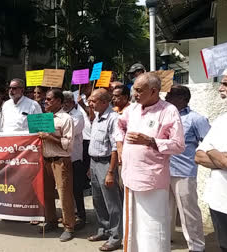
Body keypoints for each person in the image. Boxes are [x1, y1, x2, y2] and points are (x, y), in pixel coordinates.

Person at [116, 73, 185, 252]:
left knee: (153, 227)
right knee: (132, 225)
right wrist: (121, 148)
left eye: (139, 90)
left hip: (152, 180)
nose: (134, 94)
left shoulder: (168, 111)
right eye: (134, 90)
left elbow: (178, 145)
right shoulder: (131, 109)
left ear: (153, 91)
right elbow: (119, 126)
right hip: (130, 176)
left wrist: (150, 141)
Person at [164, 85, 208, 252]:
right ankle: (166, 240)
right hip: (164, 171)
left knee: (188, 212)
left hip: (184, 172)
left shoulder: (196, 119)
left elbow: (209, 142)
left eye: (170, 95)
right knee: (165, 210)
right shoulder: (166, 116)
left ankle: (196, 246)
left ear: (182, 98)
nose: (166, 97)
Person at [195, 73, 227, 252]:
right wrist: (222, 159)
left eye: (226, 84)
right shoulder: (222, 120)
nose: (220, 88)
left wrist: (213, 153)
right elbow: (199, 156)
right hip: (219, 201)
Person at [86, 89, 123, 251]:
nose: (90, 103)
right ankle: (104, 230)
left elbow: (115, 148)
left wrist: (110, 172)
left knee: (112, 203)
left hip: (107, 164)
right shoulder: (97, 117)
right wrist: (90, 166)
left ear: (104, 102)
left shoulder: (114, 119)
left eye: (93, 100)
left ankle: (116, 237)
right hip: (94, 163)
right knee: (97, 200)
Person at [38, 89, 75, 242]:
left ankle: (68, 227)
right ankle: (51, 220)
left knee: (64, 194)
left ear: (59, 101)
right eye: (45, 99)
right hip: (45, 160)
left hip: (61, 161)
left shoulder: (66, 119)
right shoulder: (42, 118)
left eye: (49, 99)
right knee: (47, 193)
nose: (45, 102)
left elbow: (68, 144)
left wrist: (49, 136)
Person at [62, 91, 86, 225]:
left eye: (67, 102)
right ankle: (69, 214)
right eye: (62, 102)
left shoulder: (78, 116)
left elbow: (68, 132)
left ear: (72, 102)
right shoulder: (60, 115)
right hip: (62, 157)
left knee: (76, 189)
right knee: (66, 189)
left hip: (74, 157)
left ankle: (81, 216)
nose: (64, 105)